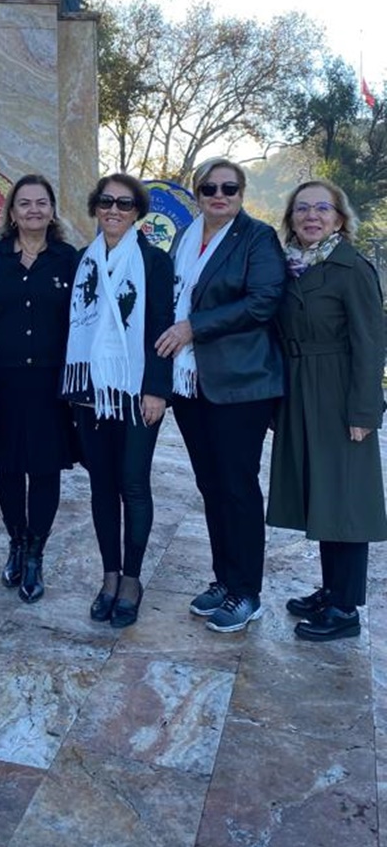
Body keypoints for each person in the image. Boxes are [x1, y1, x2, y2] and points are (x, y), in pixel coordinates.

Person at [155, 157, 286, 632]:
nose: (219, 195)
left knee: (237, 486)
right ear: (196, 193)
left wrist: (195, 327)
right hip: (191, 383)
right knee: (211, 485)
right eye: (209, 188)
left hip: (239, 384)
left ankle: (247, 591)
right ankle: (225, 580)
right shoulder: (185, 237)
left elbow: (263, 301)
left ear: (241, 193)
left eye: (229, 188)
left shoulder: (257, 237)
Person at [267, 180, 387, 641]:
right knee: (322, 495)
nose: (311, 216)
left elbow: (370, 344)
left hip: (339, 394)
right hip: (300, 390)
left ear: (339, 218)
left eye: (322, 208)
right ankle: (331, 589)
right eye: (302, 209)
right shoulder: (290, 267)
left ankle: (345, 609)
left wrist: (364, 411)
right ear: (291, 219)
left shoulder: (351, 268)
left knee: (346, 500)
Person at [64, 173, 173, 628]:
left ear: (137, 212)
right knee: (102, 486)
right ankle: (109, 576)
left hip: (136, 391)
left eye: (124, 204)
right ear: (95, 207)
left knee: (133, 483)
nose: (114, 210)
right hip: (91, 390)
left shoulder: (155, 262)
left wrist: (157, 389)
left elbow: (163, 325)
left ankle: (131, 579)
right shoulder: (82, 261)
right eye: (106, 201)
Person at [0, 175, 79, 601]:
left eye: (41, 202)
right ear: (12, 213)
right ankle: (16, 543)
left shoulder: (69, 259)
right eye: (24, 203)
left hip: (53, 383)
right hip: (6, 380)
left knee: (46, 469)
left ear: (52, 210)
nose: (33, 210)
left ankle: (36, 554)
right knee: (10, 467)